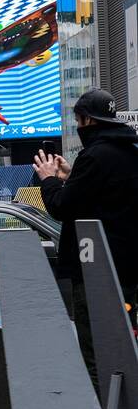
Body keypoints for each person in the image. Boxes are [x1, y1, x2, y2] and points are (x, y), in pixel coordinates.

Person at [33, 88, 138, 391]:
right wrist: (71, 177)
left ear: (87, 120)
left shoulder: (94, 156)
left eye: (78, 120)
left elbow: (63, 207)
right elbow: (103, 199)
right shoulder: (130, 151)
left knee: (96, 353)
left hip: (95, 270)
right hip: (129, 272)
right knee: (125, 346)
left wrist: (49, 180)